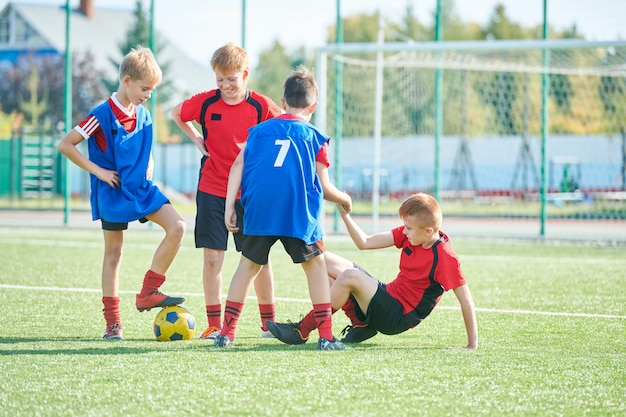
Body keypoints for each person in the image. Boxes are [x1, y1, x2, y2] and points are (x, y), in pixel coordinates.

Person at [214, 65, 353, 350]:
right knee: (315, 265)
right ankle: (326, 336)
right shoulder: (315, 137)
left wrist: (230, 204)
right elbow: (326, 189)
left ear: (283, 103)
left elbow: (238, 164)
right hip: (297, 210)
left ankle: (226, 333)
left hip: (259, 207)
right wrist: (344, 199)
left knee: (248, 265)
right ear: (313, 106)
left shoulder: (258, 132)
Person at [57, 46, 187, 340]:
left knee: (178, 227)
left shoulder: (144, 115)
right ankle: (113, 323)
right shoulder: (100, 114)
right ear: (126, 81)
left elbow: (145, 148)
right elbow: (65, 144)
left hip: (140, 189)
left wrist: (150, 164)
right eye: (145, 88)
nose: (148, 95)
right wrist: (99, 172)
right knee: (114, 254)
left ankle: (148, 292)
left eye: (153, 89)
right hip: (113, 192)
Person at [266, 193, 478, 349]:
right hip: (388, 297)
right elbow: (365, 242)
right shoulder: (412, 234)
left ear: (429, 231)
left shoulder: (445, 256)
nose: (404, 231)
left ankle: (303, 329)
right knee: (322, 259)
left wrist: (472, 344)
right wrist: (344, 214)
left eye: (409, 228)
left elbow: (465, 299)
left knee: (349, 276)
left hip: (398, 316)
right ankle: (361, 324)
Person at [171, 43, 282, 340]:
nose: (225, 86)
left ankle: (267, 322)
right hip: (211, 189)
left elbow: (285, 125)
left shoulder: (261, 106)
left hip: (250, 194)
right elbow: (176, 113)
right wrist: (196, 138)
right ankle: (213, 323)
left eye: (231, 79)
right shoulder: (207, 103)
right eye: (219, 80)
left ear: (245, 75)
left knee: (258, 258)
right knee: (212, 258)